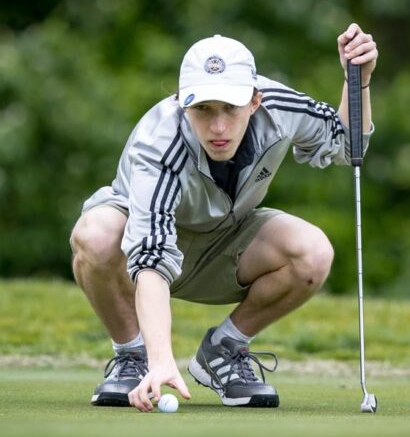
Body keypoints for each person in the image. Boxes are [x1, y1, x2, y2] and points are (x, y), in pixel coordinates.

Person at [70, 23, 378, 412]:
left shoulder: (280, 107)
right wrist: (160, 355)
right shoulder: (159, 143)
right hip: (142, 248)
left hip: (228, 241)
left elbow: (347, 145)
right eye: (203, 109)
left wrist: (360, 83)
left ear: (254, 101)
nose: (218, 127)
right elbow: (149, 259)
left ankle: (223, 351)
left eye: (230, 109)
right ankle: (135, 357)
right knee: (95, 234)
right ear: (183, 102)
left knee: (312, 252)